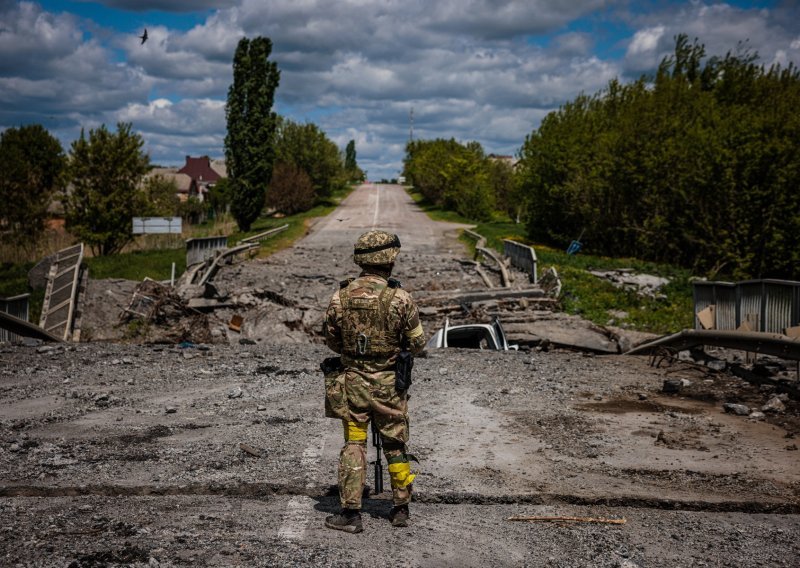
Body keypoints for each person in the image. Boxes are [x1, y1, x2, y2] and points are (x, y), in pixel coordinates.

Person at [322, 230, 426, 533]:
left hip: (353, 384)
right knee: (395, 444)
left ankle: (351, 514)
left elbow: (332, 341)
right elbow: (418, 344)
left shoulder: (340, 296)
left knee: (354, 442)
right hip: (390, 387)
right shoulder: (401, 298)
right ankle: (400, 508)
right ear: (390, 259)